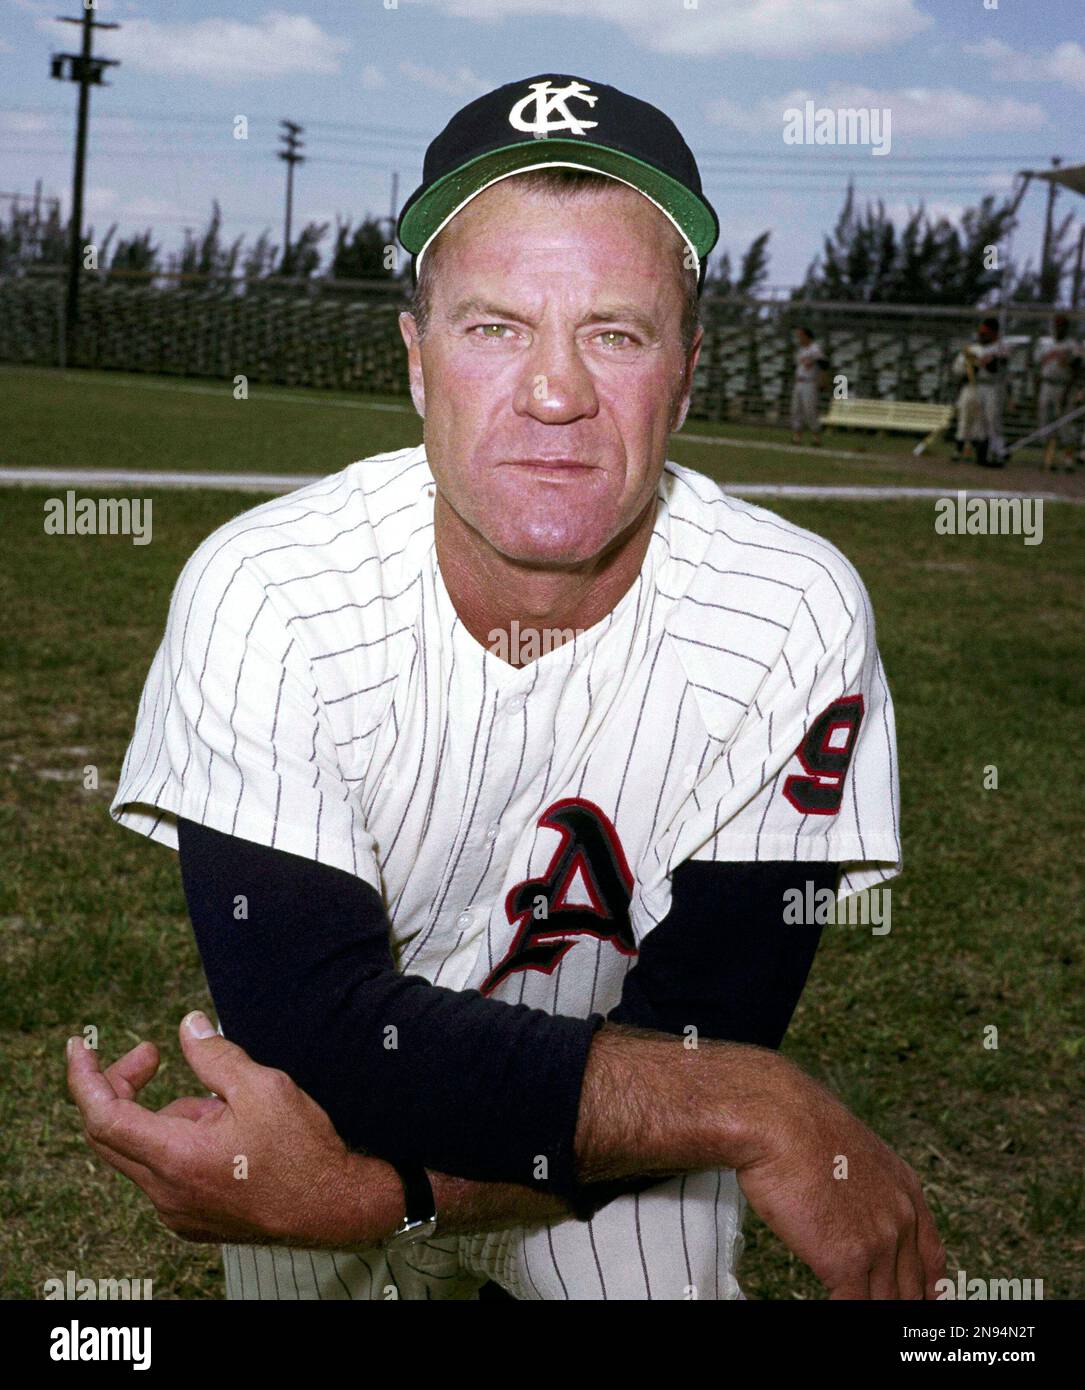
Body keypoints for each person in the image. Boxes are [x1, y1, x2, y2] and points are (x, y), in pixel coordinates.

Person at [69, 73, 943, 1302]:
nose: (554, 392)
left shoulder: (792, 610)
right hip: (330, 1117)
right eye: (494, 327)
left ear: (686, 373)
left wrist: (377, 1200)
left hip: (614, 1143)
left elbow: (710, 1031)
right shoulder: (268, 585)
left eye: (615, 333)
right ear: (416, 361)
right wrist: (749, 1102)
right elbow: (317, 1030)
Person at [952, 317, 1009, 468]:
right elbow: (960, 370)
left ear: (994, 333)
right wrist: (974, 365)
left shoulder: (1001, 347)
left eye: (986, 333)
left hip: (992, 386)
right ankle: (980, 454)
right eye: (981, 333)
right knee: (977, 421)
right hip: (975, 385)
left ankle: (997, 453)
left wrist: (986, 361)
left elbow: (995, 368)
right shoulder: (973, 348)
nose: (982, 336)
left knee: (992, 420)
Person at [1034, 314, 1081, 472]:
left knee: (1066, 422)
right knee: (1045, 421)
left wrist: (1068, 391)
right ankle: (1048, 458)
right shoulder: (1044, 343)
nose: (1058, 328)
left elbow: (1077, 370)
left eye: (1061, 325)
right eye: (1056, 325)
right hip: (1046, 384)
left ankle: (1068, 460)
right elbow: (1037, 368)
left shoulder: (1072, 345)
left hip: (1063, 385)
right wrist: (1037, 390)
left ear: (1066, 327)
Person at [790, 325, 826, 446]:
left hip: (809, 382)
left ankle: (816, 437)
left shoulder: (814, 349)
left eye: (800, 336)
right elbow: (796, 366)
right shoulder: (800, 350)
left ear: (807, 336)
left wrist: (822, 380)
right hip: (799, 382)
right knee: (796, 410)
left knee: (810, 410)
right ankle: (797, 436)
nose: (798, 338)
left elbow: (824, 365)